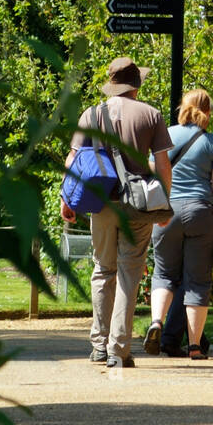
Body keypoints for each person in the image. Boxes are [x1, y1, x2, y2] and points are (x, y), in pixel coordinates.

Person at [61, 56, 172, 370]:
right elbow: (163, 165)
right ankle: (118, 349)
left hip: (100, 202)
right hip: (138, 204)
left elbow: (73, 161)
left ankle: (99, 344)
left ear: (112, 84)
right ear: (136, 85)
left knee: (103, 269)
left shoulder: (92, 113)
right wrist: (164, 204)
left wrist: (66, 200)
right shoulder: (151, 114)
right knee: (129, 271)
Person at [144, 88, 213, 360]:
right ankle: (195, 346)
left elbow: (152, 174)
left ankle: (157, 323)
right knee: (198, 281)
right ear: (208, 112)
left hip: (166, 213)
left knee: (164, 273)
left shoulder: (166, 136)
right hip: (200, 213)